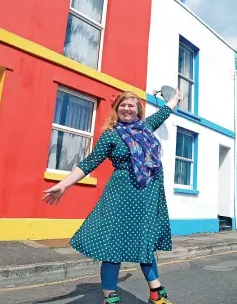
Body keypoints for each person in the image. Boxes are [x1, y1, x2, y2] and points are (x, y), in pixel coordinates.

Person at [43, 89, 180, 304]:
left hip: (147, 196)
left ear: (138, 110)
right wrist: (64, 185)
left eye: (131, 105)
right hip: (120, 196)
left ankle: (156, 293)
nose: (127, 108)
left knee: (145, 243)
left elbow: (165, 112)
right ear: (117, 109)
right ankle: (110, 296)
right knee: (113, 245)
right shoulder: (111, 135)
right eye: (123, 105)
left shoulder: (146, 127)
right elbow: (89, 163)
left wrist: (175, 98)